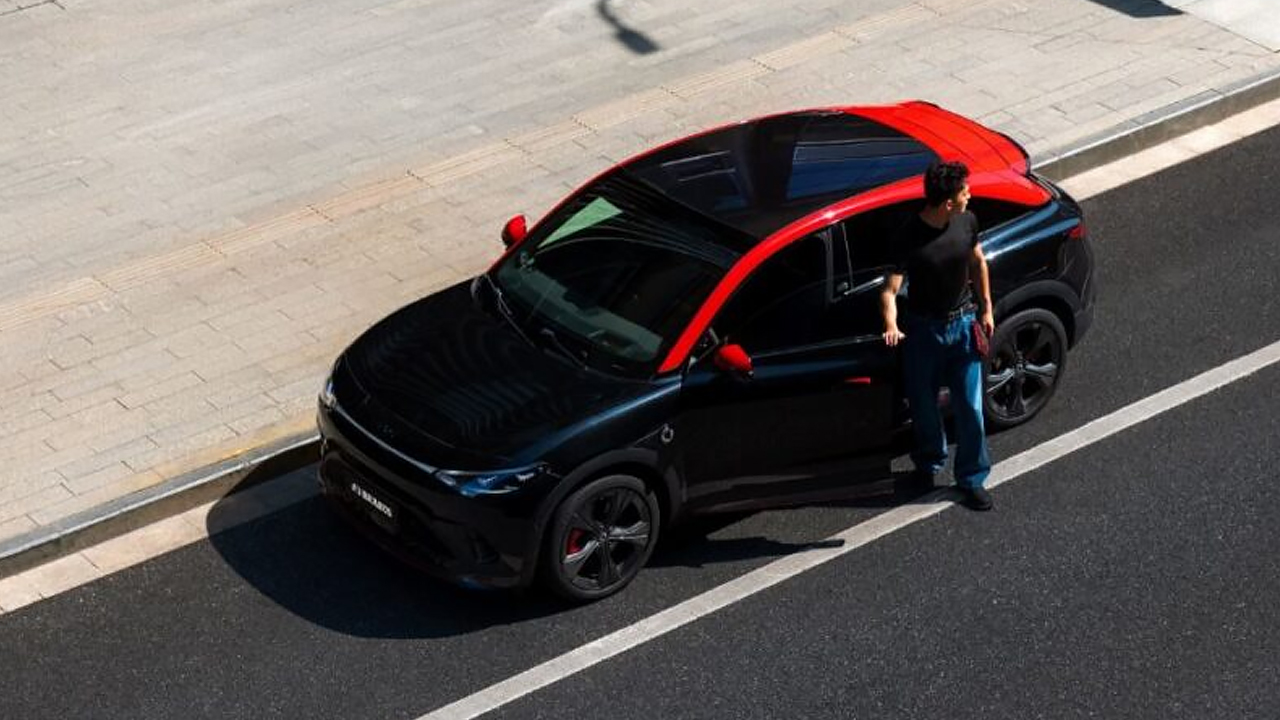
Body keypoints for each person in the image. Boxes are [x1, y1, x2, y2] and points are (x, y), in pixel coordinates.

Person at [880, 160, 994, 511]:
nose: (969, 195)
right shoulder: (908, 236)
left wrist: (986, 308)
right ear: (948, 202)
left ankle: (972, 478)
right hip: (923, 330)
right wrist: (891, 325)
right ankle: (929, 463)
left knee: (971, 407)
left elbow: (977, 262)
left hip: (963, 325)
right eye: (964, 191)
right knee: (923, 404)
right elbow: (890, 290)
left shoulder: (967, 221)